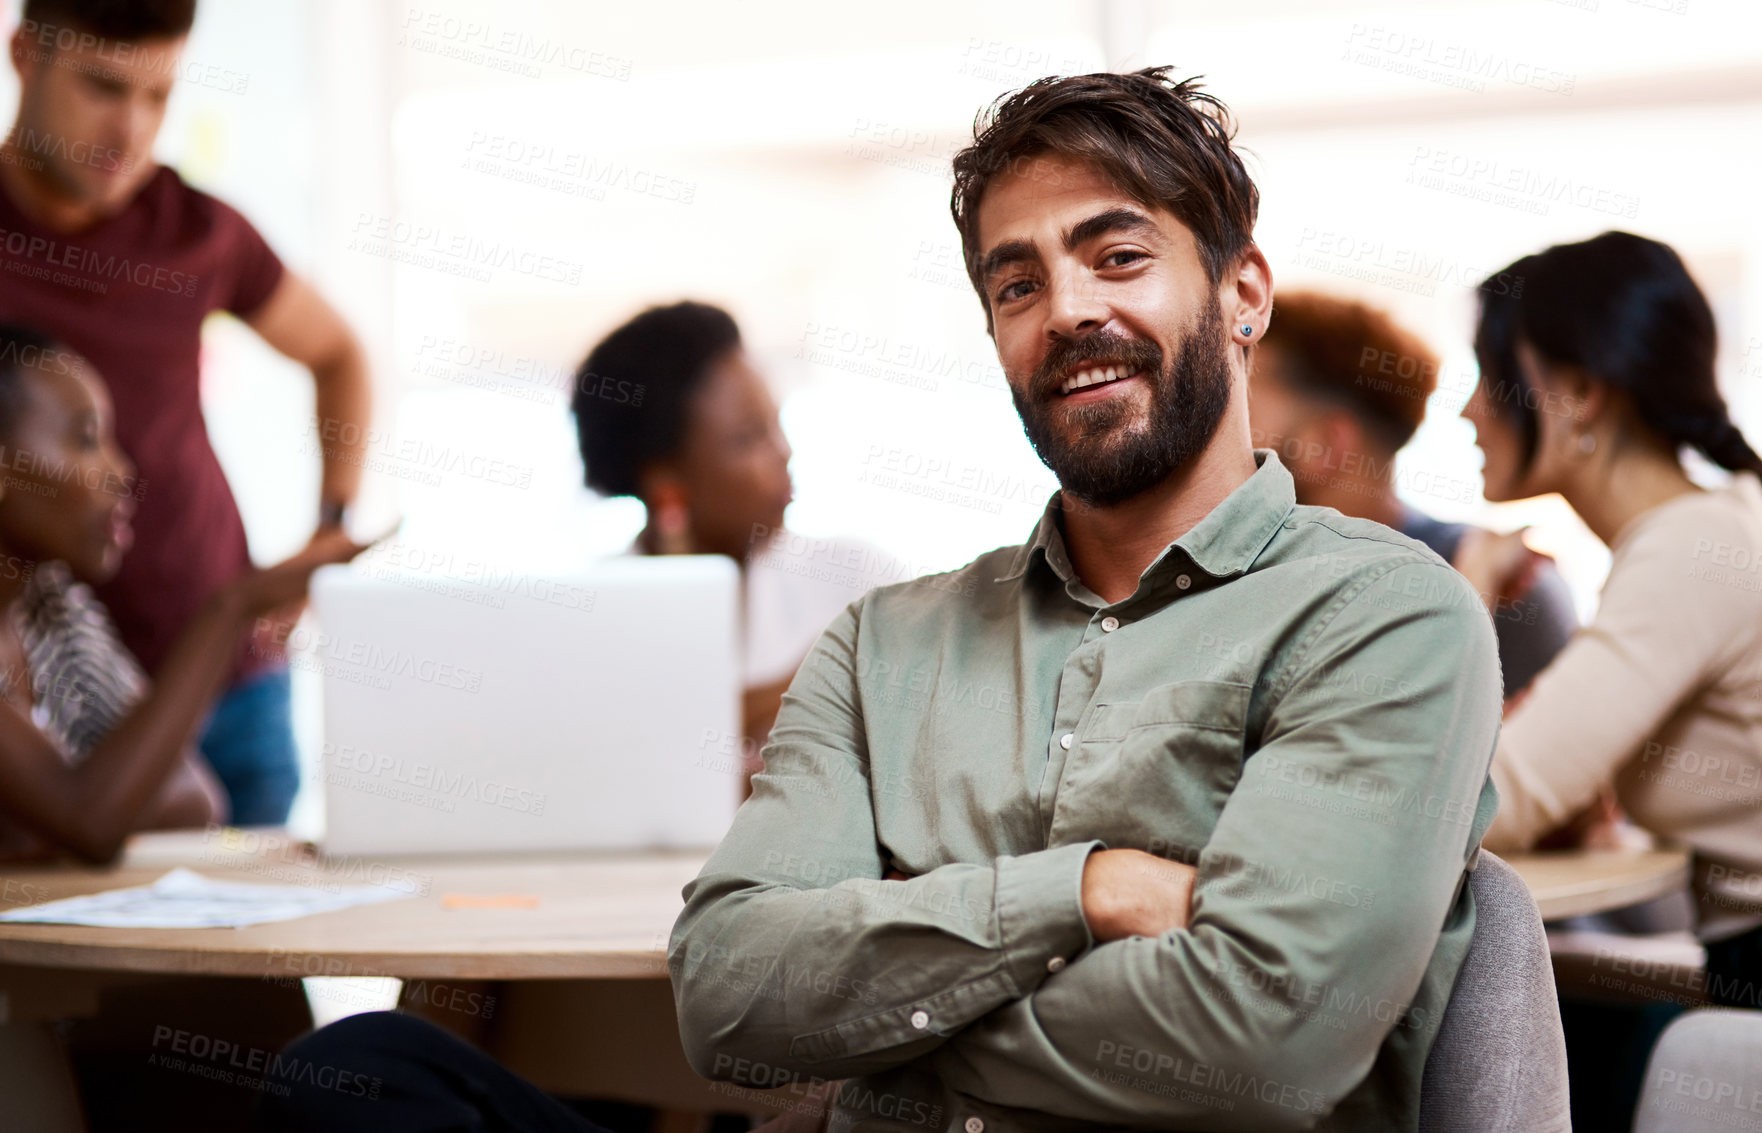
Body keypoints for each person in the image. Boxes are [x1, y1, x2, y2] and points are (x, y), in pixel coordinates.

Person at [260, 68, 1501, 1133]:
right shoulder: (885, 641)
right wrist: (1086, 889)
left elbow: (1263, 1038)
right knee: (355, 1075)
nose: (1067, 309)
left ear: (1242, 295)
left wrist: (879, 1032)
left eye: (1117, 255)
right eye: (1016, 284)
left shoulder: (1379, 618)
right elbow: (729, 995)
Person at [0, 0, 374, 824]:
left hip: (232, 682)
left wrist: (328, 523)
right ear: (25, 55)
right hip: (56, 700)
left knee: (262, 945)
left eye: (158, 96)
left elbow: (340, 355)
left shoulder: (200, 233)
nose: (129, 130)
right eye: (101, 87)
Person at [1458, 231, 1762, 1129]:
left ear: (1580, 393)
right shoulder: (1719, 522)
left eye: (1490, 371)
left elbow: (1480, 799)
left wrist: (1464, 587)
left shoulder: (1685, 552)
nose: (1470, 409)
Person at [0, 325, 370, 862]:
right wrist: (231, 607)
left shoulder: (50, 607)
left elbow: (194, 801)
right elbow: (92, 822)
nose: (122, 472)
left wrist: (36, 832)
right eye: (86, 439)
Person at [571, 300, 895, 770]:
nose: (783, 451)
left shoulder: (858, 580)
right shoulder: (597, 616)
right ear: (666, 486)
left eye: (775, 424)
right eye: (749, 438)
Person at [1247, 290, 1579, 697]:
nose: (1213, 435)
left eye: (1239, 412)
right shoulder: (1235, 579)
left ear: (1324, 446)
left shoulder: (1516, 593)